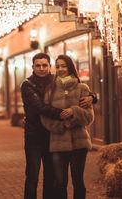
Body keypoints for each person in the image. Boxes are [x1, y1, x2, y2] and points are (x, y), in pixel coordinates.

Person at [21, 53, 95, 199]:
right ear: (33, 67)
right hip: (35, 137)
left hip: (52, 138)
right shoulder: (28, 84)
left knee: (52, 178)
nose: (41, 68)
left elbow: (82, 97)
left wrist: (92, 98)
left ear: (49, 67)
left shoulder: (55, 82)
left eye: (44, 65)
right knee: (33, 176)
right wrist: (66, 115)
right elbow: (41, 107)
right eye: (38, 65)